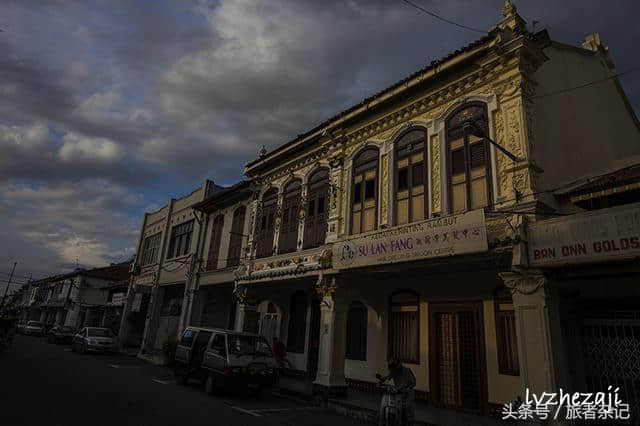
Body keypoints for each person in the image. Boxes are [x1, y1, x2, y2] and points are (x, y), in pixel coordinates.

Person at [379, 357, 416, 425]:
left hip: (408, 394)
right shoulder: (394, 371)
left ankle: (409, 423)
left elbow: (413, 383)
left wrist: (407, 389)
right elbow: (388, 377)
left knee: (407, 412)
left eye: (394, 369)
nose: (392, 371)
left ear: (398, 366)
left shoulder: (407, 371)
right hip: (399, 392)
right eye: (392, 369)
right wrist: (381, 381)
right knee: (392, 407)